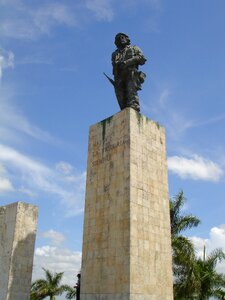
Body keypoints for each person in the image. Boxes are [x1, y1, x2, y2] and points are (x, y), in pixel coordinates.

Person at [111, 33, 147, 112]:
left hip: (131, 73)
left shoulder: (134, 48)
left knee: (131, 94)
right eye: (118, 39)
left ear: (127, 39)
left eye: (122, 37)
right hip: (119, 77)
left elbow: (142, 58)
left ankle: (133, 108)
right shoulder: (115, 54)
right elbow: (114, 66)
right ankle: (124, 111)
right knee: (121, 97)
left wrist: (127, 62)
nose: (120, 39)